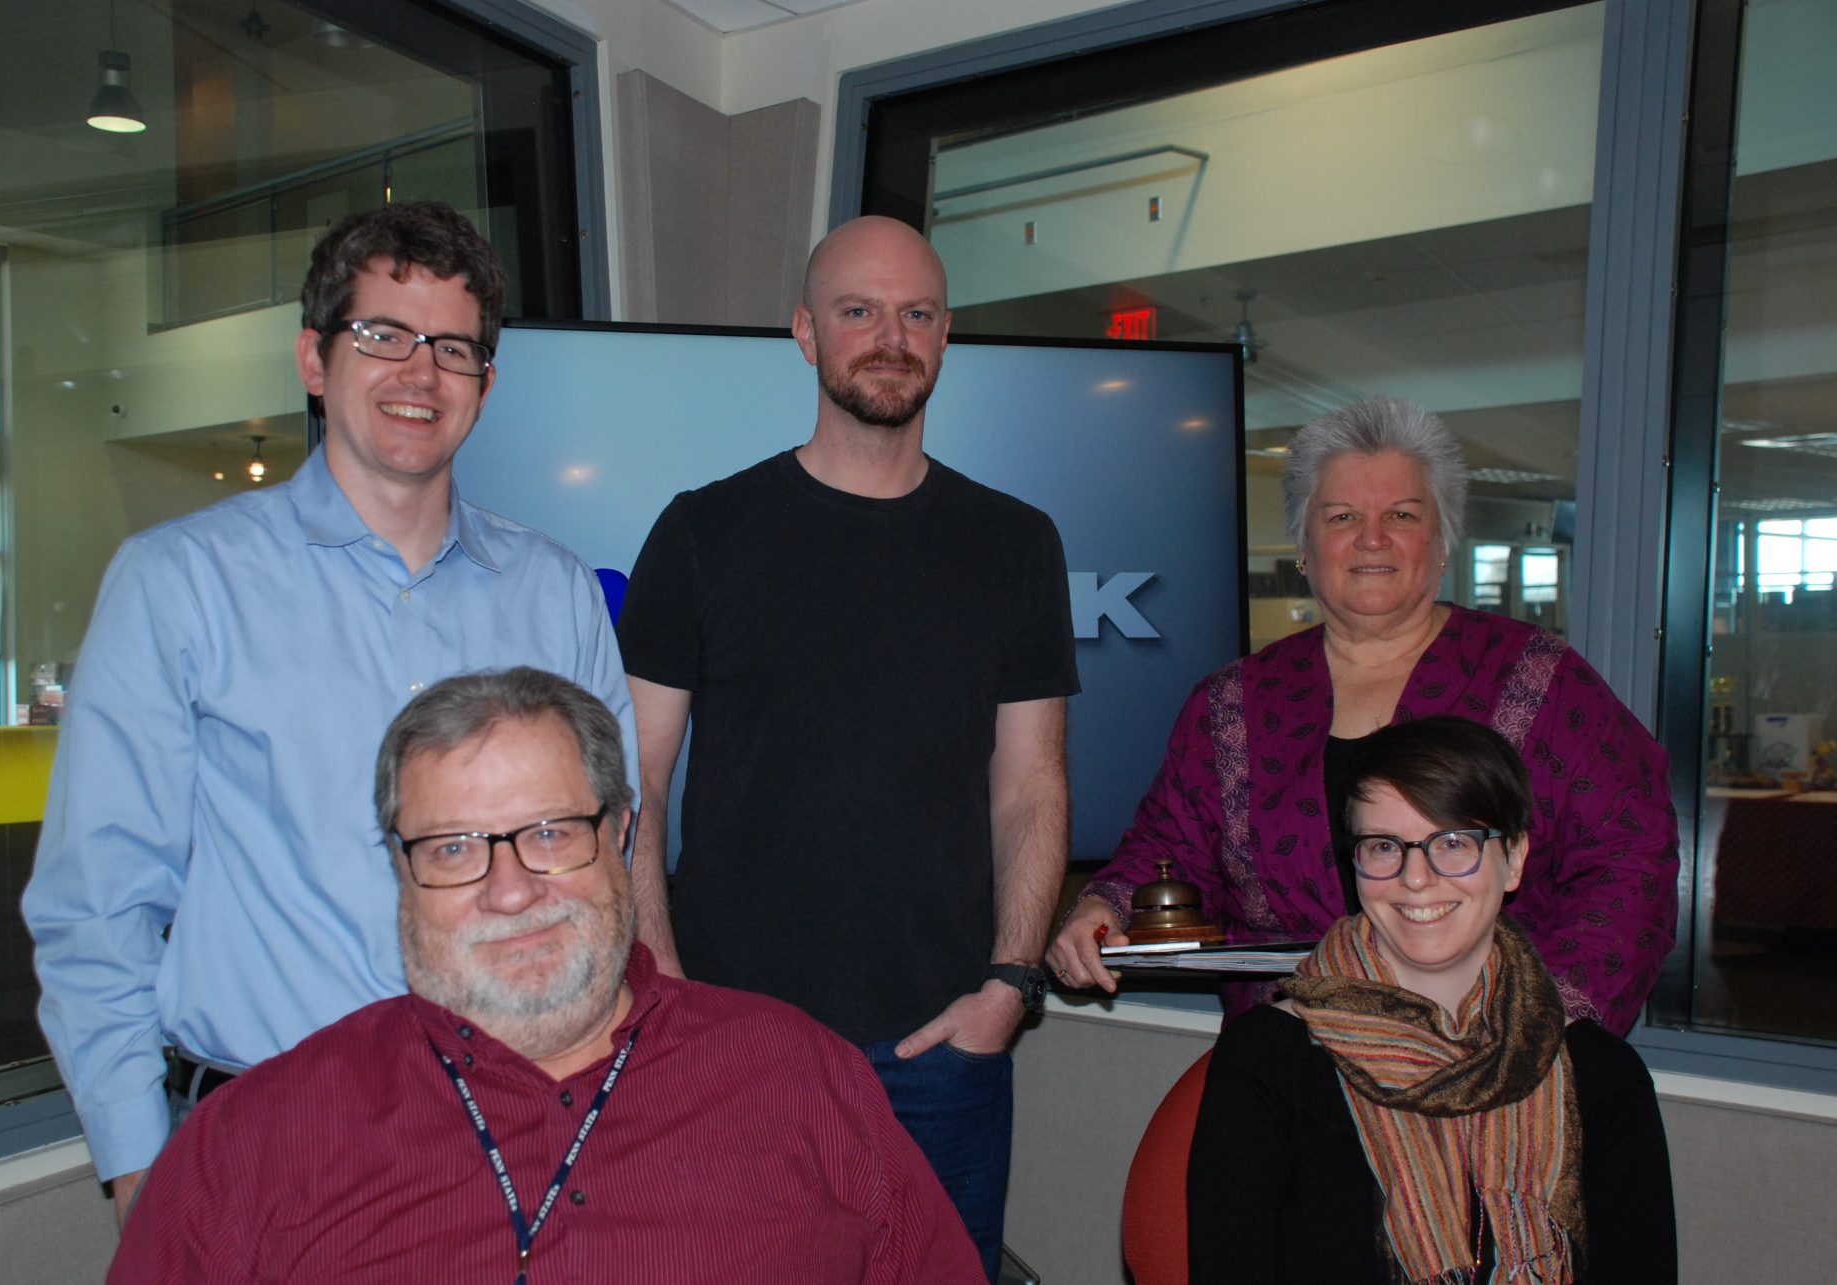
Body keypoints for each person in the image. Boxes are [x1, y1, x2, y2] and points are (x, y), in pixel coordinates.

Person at [23, 201, 637, 1224]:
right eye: (382, 336)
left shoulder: (556, 591)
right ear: (314, 359)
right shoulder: (180, 584)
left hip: (530, 1137)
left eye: (453, 347)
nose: (419, 373)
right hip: (277, 1146)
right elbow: (97, 905)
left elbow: (607, 857)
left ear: (485, 384)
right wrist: (143, 1173)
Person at [109, 668, 983, 1284]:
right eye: (453, 847)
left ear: (621, 835)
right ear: (399, 870)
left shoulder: (801, 1078)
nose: (510, 887)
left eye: (552, 832)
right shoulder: (256, 1136)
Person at [614, 215, 1078, 1279]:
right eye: (858, 310)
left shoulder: (1016, 544)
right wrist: (670, 995)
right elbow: (633, 779)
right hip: (733, 1045)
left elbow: (1032, 781)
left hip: (945, 1053)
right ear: (805, 332)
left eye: (916, 312)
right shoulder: (701, 532)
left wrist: (1009, 986)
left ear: (946, 336)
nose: (889, 335)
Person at [1050, 395, 1677, 1036]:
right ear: (1305, 542)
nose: (1372, 538)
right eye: (1343, 515)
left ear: (1440, 540)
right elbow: (1171, 848)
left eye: (1402, 514)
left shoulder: (1544, 681)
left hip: (1484, 1047)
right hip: (1290, 1055)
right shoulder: (1231, 702)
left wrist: (1549, 1021)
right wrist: (1104, 905)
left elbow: (1631, 862)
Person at [1188, 716, 1678, 1283]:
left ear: (1514, 857)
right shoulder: (1269, 1059)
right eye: (1383, 846)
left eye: (1452, 842)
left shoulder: (1600, 1075)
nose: (1415, 879)